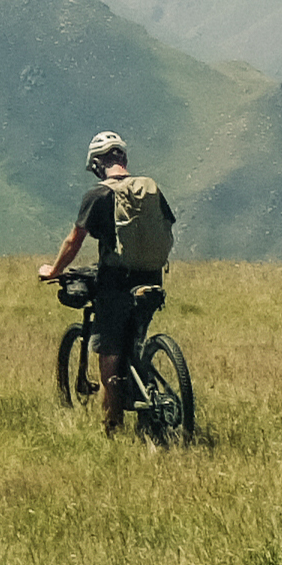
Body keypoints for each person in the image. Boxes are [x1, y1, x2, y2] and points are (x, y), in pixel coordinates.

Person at [43, 129, 174, 429]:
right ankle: (145, 408)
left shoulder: (98, 194)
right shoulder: (150, 189)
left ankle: (111, 426)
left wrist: (54, 270)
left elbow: (75, 240)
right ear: (124, 159)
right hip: (152, 277)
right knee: (136, 341)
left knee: (110, 352)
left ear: (96, 165)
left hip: (117, 283)